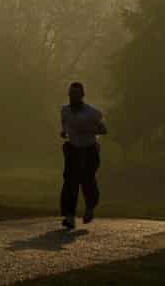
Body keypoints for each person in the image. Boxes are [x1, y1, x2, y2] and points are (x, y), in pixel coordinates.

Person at [59, 82, 107, 230]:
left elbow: (103, 130)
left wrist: (89, 130)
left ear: (82, 95)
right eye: (71, 94)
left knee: (87, 180)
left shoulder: (92, 113)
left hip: (89, 149)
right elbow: (64, 126)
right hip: (73, 149)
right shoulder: (65, 110)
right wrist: (64, 133)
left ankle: (90, 208)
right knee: (70, 182)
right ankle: (69, 216)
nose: (73, 97)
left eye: (76, 94)